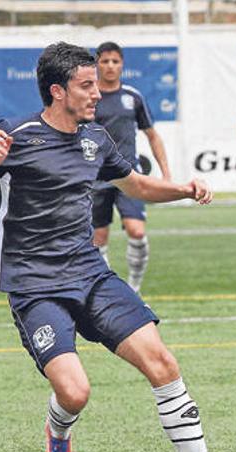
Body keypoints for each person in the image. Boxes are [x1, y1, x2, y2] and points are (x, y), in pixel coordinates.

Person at [0, 42, 236, 452]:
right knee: (75, 392)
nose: (97, 93)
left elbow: (135, 183)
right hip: (35, 286)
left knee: (162, 362)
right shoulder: (14, 134)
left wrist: (183, 188)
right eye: (87, 86)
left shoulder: (95, 138)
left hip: (90, 274)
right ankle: (58, 433)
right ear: (58, 91)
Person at [92, 41, 172, 292]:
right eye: (105, 61)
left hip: (129, 176)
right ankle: (109, 292)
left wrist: (166, 174)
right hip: (95, 177)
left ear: (122, 64)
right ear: (97, 64)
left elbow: (152, 135)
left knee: (137, 231)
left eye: (115, 61)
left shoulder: (132, 97)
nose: (110, 66)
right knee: (98, 239)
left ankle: (134, 289)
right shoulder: (89, 96)